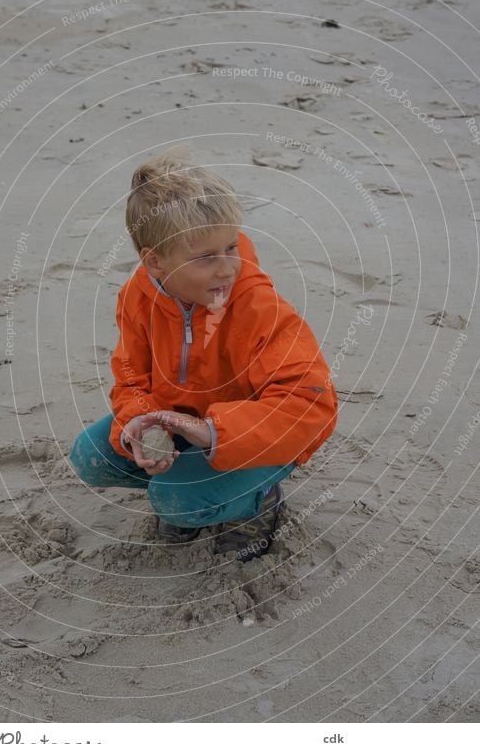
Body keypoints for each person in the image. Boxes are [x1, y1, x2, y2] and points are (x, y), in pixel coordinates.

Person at [69, 145, 338, 561]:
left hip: (257, 436)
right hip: (184, 420)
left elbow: (311, 406)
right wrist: (138, 421)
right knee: (91, 456)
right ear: (155, 262)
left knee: (178, 500)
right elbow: (131, 377)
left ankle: (259, 499)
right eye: (205, 258)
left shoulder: (257, 307)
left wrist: (212, 433)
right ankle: (195, 483)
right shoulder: (136, 298)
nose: (227, 268)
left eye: (230, 247)